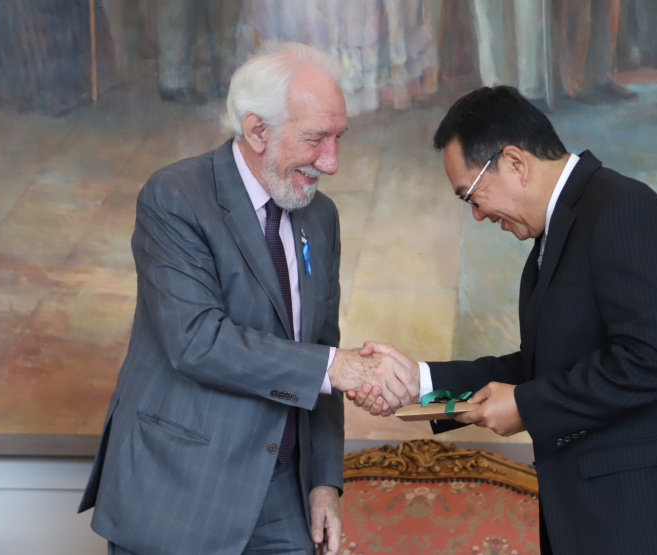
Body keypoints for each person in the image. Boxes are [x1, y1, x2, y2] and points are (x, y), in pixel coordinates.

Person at [351, 85, 657, 554]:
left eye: (472, 196)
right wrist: (420, 382)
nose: (478, 214)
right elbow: (548, 365)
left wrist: (528, 405)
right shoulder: (560, 231)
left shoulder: (621, 209)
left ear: (514, 163)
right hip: (605, 521)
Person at [78, 42, 418, 555]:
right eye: (316, 140)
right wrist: (341, 368)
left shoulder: (320, 218)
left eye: (338, 138)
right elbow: (196, 341)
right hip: (180, 490)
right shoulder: (175, 197)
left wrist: (324, 482)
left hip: (283, 495)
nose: (332, 162)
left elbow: (323, 347)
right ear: (258, 130)